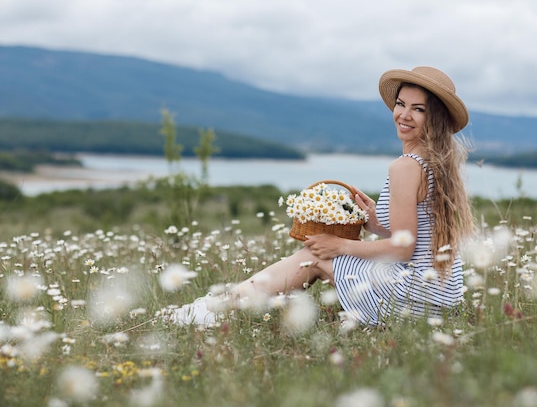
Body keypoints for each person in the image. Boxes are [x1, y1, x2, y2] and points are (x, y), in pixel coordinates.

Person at [163, 66, 475, 327]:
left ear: (433, 118)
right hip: (441, 303)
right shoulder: (439, 163)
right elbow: (419, 239)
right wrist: (376, 223)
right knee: (328, 257)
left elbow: (404, 250)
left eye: (417, 109)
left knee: (315, 256)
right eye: (401, 104)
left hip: (413, 302)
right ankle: (226, 303)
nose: (404, 115)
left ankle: (216, 309)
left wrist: (339, 244)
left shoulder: (406, 167)